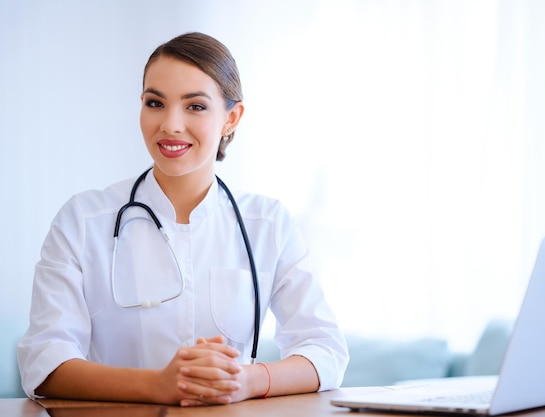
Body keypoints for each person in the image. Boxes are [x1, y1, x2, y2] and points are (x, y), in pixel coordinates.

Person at [17, 32, 349, 407]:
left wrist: (248, 380)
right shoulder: (81, 221)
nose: (171, 125)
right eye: (155, 102)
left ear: (231, 118)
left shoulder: (268, 223)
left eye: (195, 106)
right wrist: (160, 385)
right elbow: (44, 363)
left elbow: (325, 350)